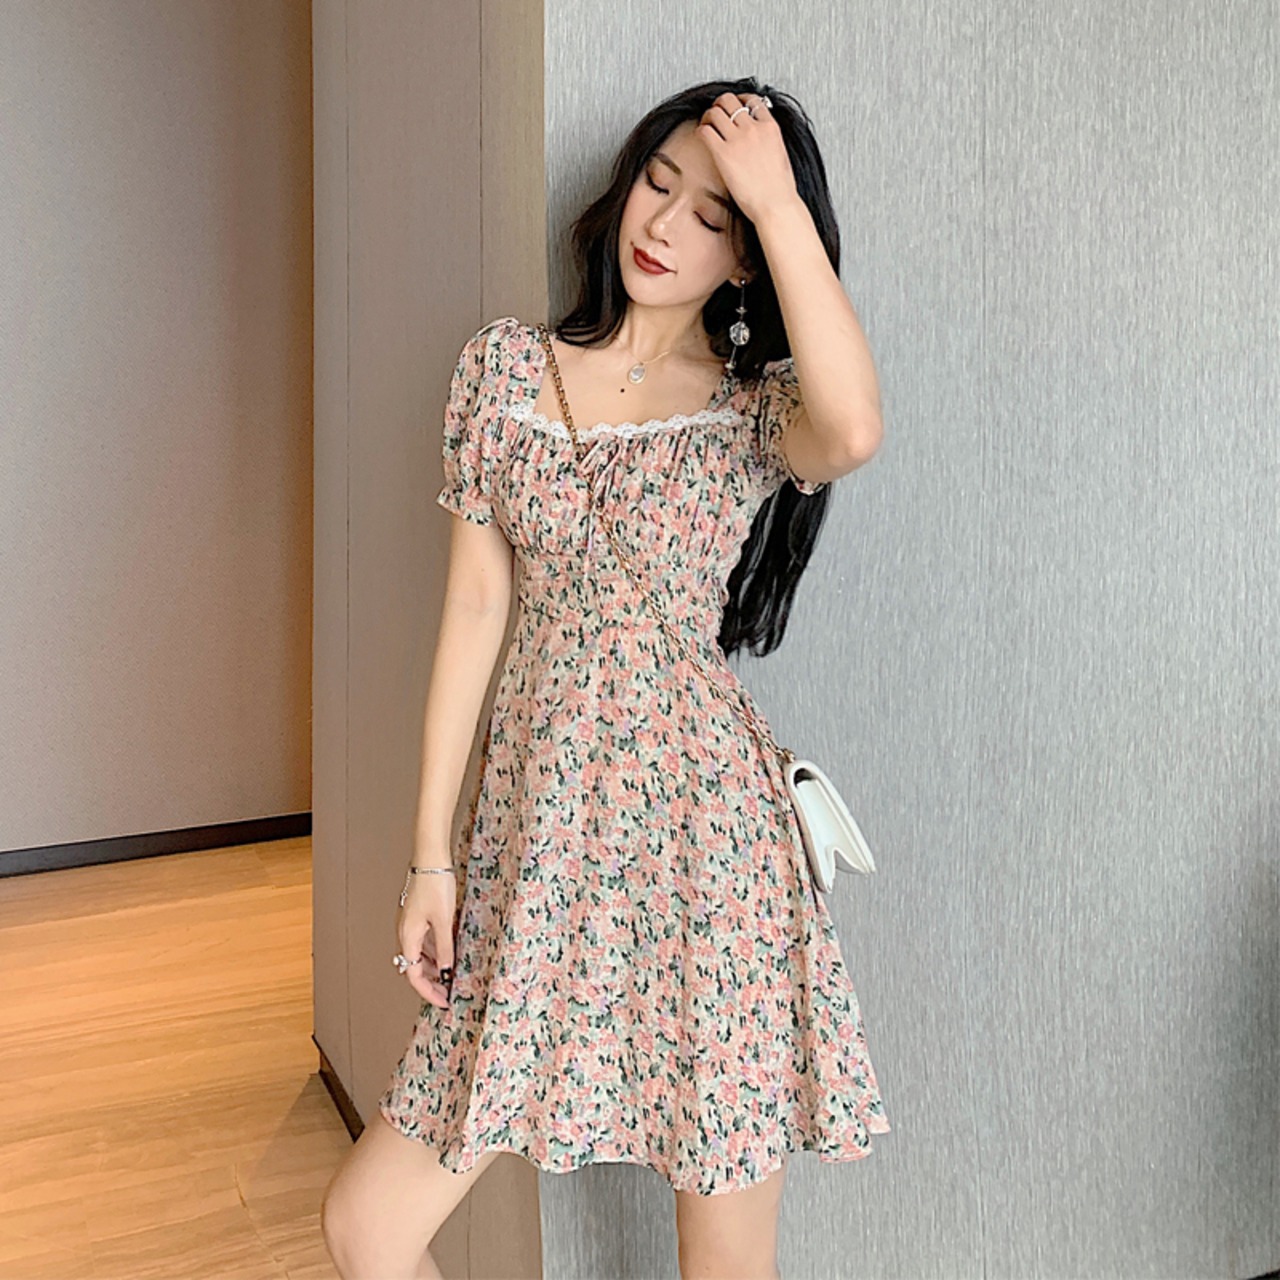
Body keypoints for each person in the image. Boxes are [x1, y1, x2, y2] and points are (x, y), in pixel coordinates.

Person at [321, 77, 890, 1280]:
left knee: (722, 1262)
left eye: (711, 215)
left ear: (745, 257)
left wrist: (779, 203)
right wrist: (430, 856)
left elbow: (850, 429)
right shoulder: (502, 371)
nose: (664, 224)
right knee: (368, 1226)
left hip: (709, 854)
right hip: (536, 842)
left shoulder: (749, 410)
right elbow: (475, 608)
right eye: (657, 184)